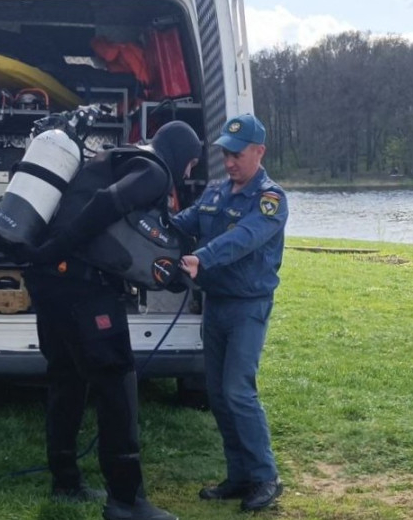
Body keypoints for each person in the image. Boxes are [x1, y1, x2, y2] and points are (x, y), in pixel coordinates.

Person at [21, 121, 202, 520]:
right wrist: (59, 248)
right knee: (117, 380)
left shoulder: (120, 157)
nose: (187, 174)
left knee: (67, 377)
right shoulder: (154, 170)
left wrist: (165, 273)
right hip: (81, 283)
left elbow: (122, 235)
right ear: (179, 154)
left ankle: (65, 481)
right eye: (190, 164)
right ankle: (126, 500)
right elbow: (107, 204)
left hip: (48, 279)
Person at [171, 113, 288, 512]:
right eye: (225, 154)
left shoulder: (270, 200)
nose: (229, 161)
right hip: (216, 305)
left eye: (237, 154)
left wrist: (202, 257)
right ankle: (239, 476)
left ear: (259, 152)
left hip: (247, 308)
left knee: (239, 391)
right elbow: (184, 223)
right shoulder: (215, 192)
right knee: (218, 395)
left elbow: (243, 238)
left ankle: (265, 477)